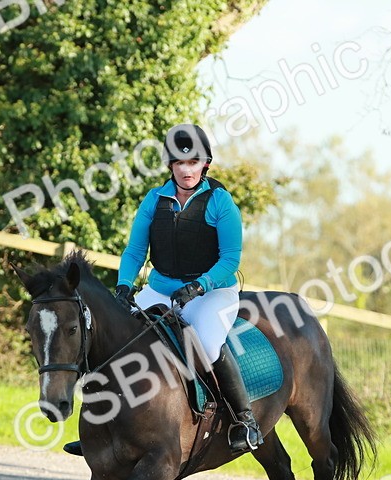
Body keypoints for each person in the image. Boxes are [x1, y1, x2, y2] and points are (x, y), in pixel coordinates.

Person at [66, 123, 263, 456]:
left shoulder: (220, 202)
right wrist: (124, 286)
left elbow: (230, 259)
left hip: (212, 293)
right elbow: (134, 251)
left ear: (206, 164)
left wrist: (200, 286)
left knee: (208, 345)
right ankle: (100, 426)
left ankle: (244, 421)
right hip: (160, 290)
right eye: (179, 163)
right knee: (116, 339)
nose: (186, 170)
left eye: (193, 162)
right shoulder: (154, 200)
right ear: (170, 166)